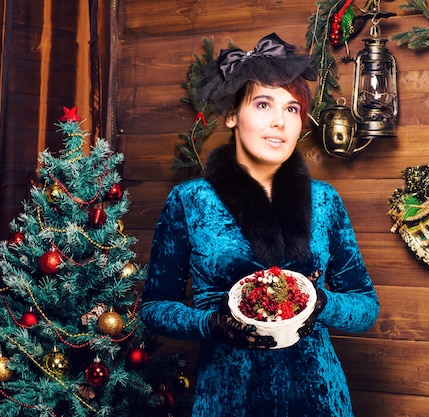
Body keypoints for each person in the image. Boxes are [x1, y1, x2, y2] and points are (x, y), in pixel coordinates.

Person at [140, 32, 380, 417]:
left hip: (320, 399)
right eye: (264, 104)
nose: (279, 123)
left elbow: (366, 306)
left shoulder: (324, 200)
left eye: (291, 109)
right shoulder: (190, 201)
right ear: (232, 115)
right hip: (228, 399)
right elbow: (153, 308)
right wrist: (211, 325)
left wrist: (323, 302)